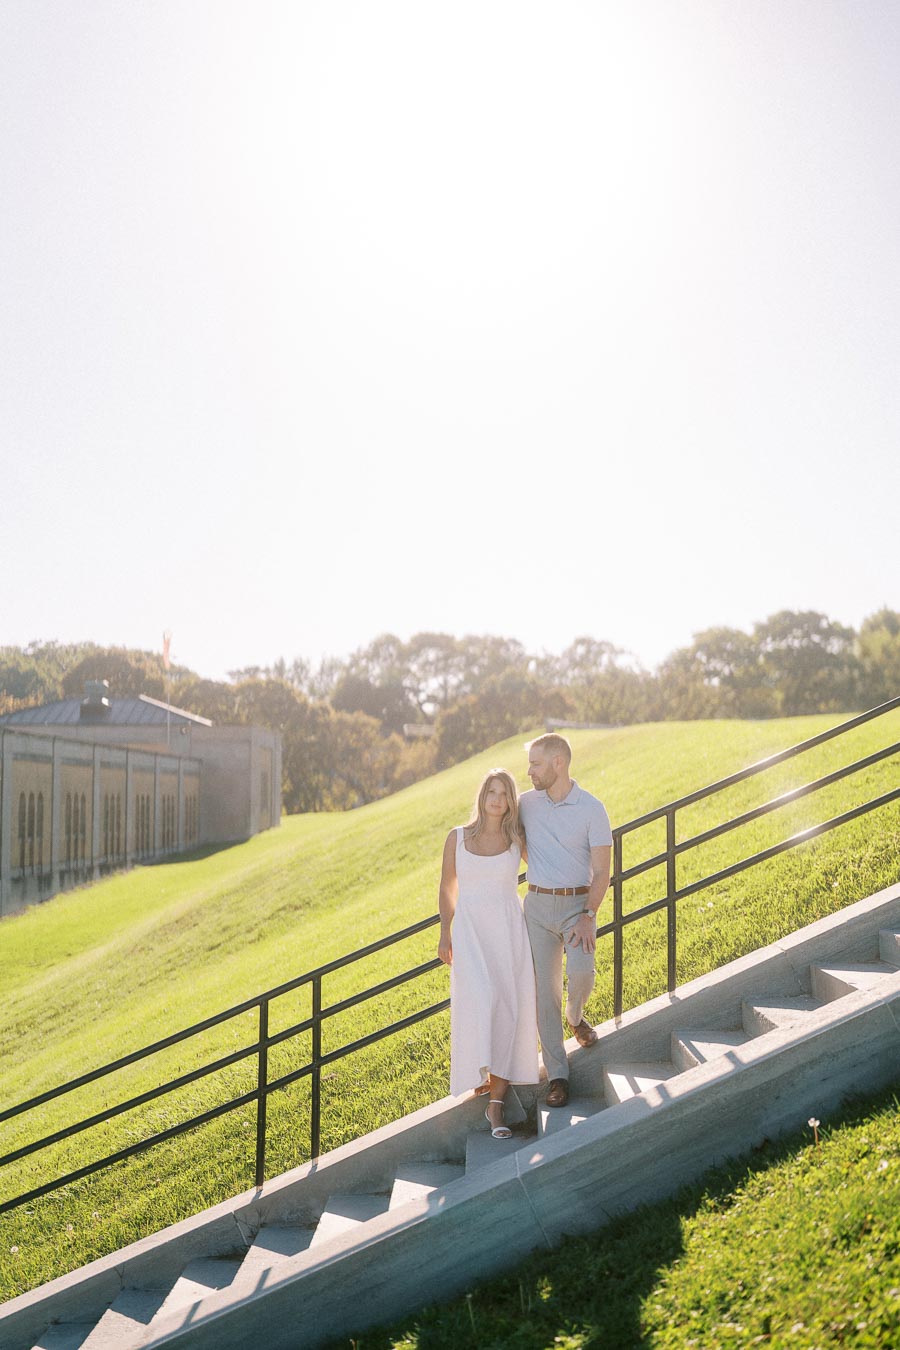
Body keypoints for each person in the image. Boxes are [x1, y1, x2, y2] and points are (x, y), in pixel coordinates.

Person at [438, 768, 540, 1139]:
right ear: (482, 796)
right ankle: (480, 1072)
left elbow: (545, 867)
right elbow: (447, 888)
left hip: (508, 932)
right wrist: (444, 931)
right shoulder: (458, 838)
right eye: (492, 792)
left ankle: (495, 1105)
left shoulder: (517, 840)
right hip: (470, 933)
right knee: (481, 1001)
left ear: (511, 801)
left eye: (505, 794)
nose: (497, 799)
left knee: (507, 1008)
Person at [519, 733, 613, 1109]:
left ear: (558, 763)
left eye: (535, 764)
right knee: (545, 995)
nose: (529, 772)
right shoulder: (526, 803)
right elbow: (506, 830)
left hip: (578, 907)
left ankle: (576, 1017)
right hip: (538, 908)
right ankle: (558, 1076)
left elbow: (603, 870)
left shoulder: (592, 808)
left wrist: (589, 915)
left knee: (582, 974)